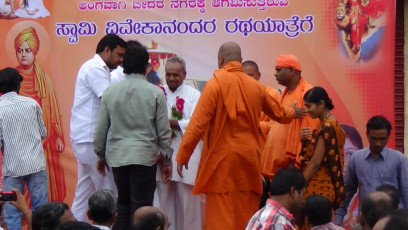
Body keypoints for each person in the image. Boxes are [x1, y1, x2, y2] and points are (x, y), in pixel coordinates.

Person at [176, 41, 306, 230]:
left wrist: (182, 155)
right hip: (249, 160)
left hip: (221, 162)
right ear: (240, 61)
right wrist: (293, 112)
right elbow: (280, 114)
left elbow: (197, 125)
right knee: (246, 213)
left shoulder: (214, 86)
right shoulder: (256, 87)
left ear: (220, 59)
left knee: (221, 216)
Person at [94, 40, 173, 230]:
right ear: (146, 67)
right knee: (142, 208)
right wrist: (167, 159)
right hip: (144, 157)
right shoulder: (155, 93)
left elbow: (101, 129)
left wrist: (100, 155)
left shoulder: (110, 92)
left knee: (123, 205)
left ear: (124, 66)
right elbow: (163, 131)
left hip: (118, 157)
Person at [70, 34, 126, 222]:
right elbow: (108, 101)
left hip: (85, 140)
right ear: (107, 50)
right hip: (91, 140)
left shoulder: (97, 68)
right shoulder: (95, 68)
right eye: (119, 55)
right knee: (109, 193)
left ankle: (72, 227)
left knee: (84, 195)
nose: (120, 61)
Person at [14, 26, 66, 202]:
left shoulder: (44, 79)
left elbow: (54, 110)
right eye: (20, 50)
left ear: (35, 52)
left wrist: (58, 136)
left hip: (41, 140)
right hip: (17, 141)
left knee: (40, 189)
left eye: (28, 50)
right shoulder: (11, 79)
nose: (23, 55)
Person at [154, 56, 204, 230]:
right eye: (168, 74)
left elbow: (198, 122)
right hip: (163, 154)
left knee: (188, 204)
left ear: (184, 74)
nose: (171, 78)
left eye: (176, 74)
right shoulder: (157, 92)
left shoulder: (194, 95)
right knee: (164, 201)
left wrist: (172, 123)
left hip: (187, 156)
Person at [334, 116, 408, 225]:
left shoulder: (399, 159)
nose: (378, 143)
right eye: (374, 138)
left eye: (382, 139)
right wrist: (338, 220)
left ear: (388, 136)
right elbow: (348, 192)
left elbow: (406, 194)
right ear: (367, 135)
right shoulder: (356, 158)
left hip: (391, 223)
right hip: (366, 223)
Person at [0, 67, 48, 230]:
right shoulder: (32, 104)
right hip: (36, 164)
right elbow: (43, 133)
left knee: (13, 214)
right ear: (18, 84)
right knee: (41, 211)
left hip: (12, 168)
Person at [261, 54, 319, 180]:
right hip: (277, 168)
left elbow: (309, 132)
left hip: (289, 168)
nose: (275, 74)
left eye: (278, 70)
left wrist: (294, 162)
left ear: (291, 70)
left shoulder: (307, 94)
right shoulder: (284, 93)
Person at [299, 86, 345, 214]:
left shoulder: (328, 126)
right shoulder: (325, 124)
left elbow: (315, 162)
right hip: (319, 185)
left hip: (319, 186)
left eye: (309, 106)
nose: (307, 110)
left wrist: (299, 185)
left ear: (321, 104)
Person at [242, 60, 280, 149]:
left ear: (258, 75)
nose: (247, 79)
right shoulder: (236, 95)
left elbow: (279, 125)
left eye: (251, 75)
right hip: (242, 147)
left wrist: (259, 126)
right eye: (243, 76)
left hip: (264, 147)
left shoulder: (271, 94)